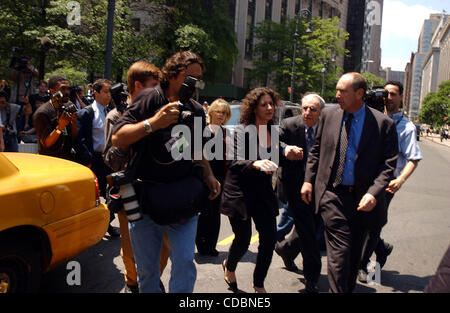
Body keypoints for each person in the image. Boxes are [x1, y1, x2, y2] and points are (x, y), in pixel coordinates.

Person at [112, 51, 220, 293]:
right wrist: (154, 123)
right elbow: (118, 137)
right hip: (145, 200)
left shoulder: (196, 110)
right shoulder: (149, 98)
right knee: (147, 269)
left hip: (183, 198)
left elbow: (195, 148)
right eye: (188, 77)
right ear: (171, 75)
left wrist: (209, 174)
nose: (193, 85)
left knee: (183, 261)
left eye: (198, 79)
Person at [301, 72, 398, 293]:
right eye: (337, 89)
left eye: (342, 91)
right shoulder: (328, 115)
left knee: (354, 256)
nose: (337, 95)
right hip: (332, 195)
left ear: (359, 94)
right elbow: (316, 150)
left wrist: (373, 193)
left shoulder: (383, 124)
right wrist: (308, 180)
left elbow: (388, 164)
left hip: (364, 200)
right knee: (339, 254)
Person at [103, 61, 170, 293]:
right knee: (132, 249)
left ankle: (149, 277)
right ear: (137, 86)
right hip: (130, 191)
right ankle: (134, 281)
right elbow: (110, 158)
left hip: (160, 191)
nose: (157, 93)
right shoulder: (117, 116)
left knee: (165, 247)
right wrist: (136, 133)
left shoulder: (162, 110)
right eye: (153, 87)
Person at [358, 81, 422, 282]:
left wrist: (401, 180)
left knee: (373, 225)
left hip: (387, 181)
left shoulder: (406, 127)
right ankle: (382, 248)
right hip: (363, 177)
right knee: (360, 220)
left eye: (393, 94)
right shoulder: (370, 117)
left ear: (402, 97)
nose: (388, 97)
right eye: (386, 93)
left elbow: (414, 158)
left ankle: (364, 265)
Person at [221, 87, 280, 293]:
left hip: (263, 193)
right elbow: (235, 161)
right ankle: (230, 265)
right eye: (264, 104)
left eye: (271, 104)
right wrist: (255, 163)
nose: (269, 107)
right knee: (243, 240)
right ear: (254, 108)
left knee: (269, 239)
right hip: (240, 193)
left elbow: (279, 151)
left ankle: (259, 283)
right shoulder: (241, 130)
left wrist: (287, 150)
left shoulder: (273, 131)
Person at [274, 93, 324, 293]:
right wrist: (286, 150)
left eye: (312, 109)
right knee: (310, 233)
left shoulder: (328, 127)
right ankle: (312, 277)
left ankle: (285, 249)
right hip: (295, 187)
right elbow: (275, 144)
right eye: (305, 108)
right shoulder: (289, 124)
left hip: (320, 187)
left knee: (310, 227)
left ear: (321, 112)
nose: (307, 112)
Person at [76, 78, 119, 237]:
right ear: (96, 93)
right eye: (106, 92)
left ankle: (107, 222)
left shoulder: (111, 112)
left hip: (110, 159)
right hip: (94, 160)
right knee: (94, 196)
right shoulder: (87, 113)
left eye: (110, 92)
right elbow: (79, 139)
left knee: (111, 193)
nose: (109, 95)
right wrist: (87, 160)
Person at [196, 98, 232, 256]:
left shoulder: (227, 132)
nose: (221, 115)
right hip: (203, 176)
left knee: (215, 213)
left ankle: (211, 245)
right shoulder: (202, 130)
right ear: (211, 112)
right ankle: (200, 243)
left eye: (224, 113)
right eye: (218, 111)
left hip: (220, 177)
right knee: (203, 212)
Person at [33, 75, 78, 160]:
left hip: (69, 159)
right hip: (50, 160)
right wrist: (60, 127)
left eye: (68, 88)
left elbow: (75, 136)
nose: (67, 92)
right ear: (52, 91)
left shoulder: (70, 105)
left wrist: (73, 122)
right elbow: (46, 143)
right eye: (62, 89)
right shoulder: (43, 112)